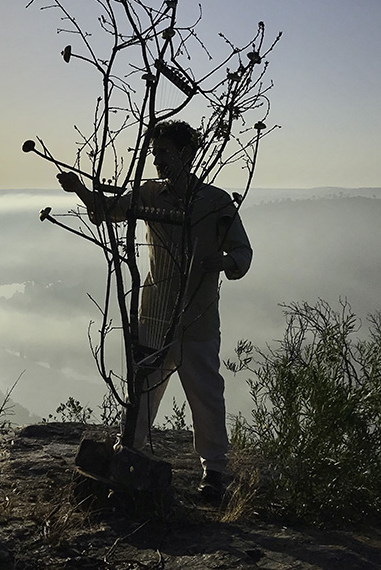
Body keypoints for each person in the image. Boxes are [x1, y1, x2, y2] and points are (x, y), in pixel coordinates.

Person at [57, 120, 252, 500]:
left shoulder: (214, 202)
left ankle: (214, 473)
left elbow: (243, 250)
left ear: (185, 153)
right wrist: (81, 189)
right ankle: (128, 454)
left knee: (206, 394)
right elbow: (108, 210)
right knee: (143, 390)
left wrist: (226, 263)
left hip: (197, 315)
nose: (156, 159)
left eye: (163, 152)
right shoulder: (149, 194)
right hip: (154, 312)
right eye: (154, 152)